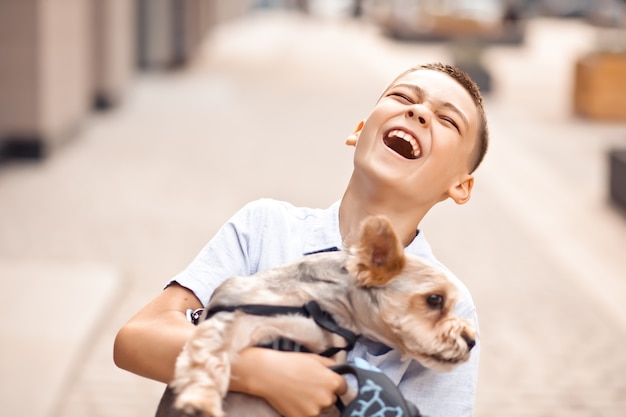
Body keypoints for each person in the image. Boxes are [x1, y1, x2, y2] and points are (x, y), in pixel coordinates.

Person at [114, 62, 489, 417]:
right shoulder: (265, 228)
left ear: (461, 185)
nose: (419, 113)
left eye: (446, 120)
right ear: (359, 131)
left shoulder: (450, 308)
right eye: (404, 98)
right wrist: (261, 371)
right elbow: (137, 339)